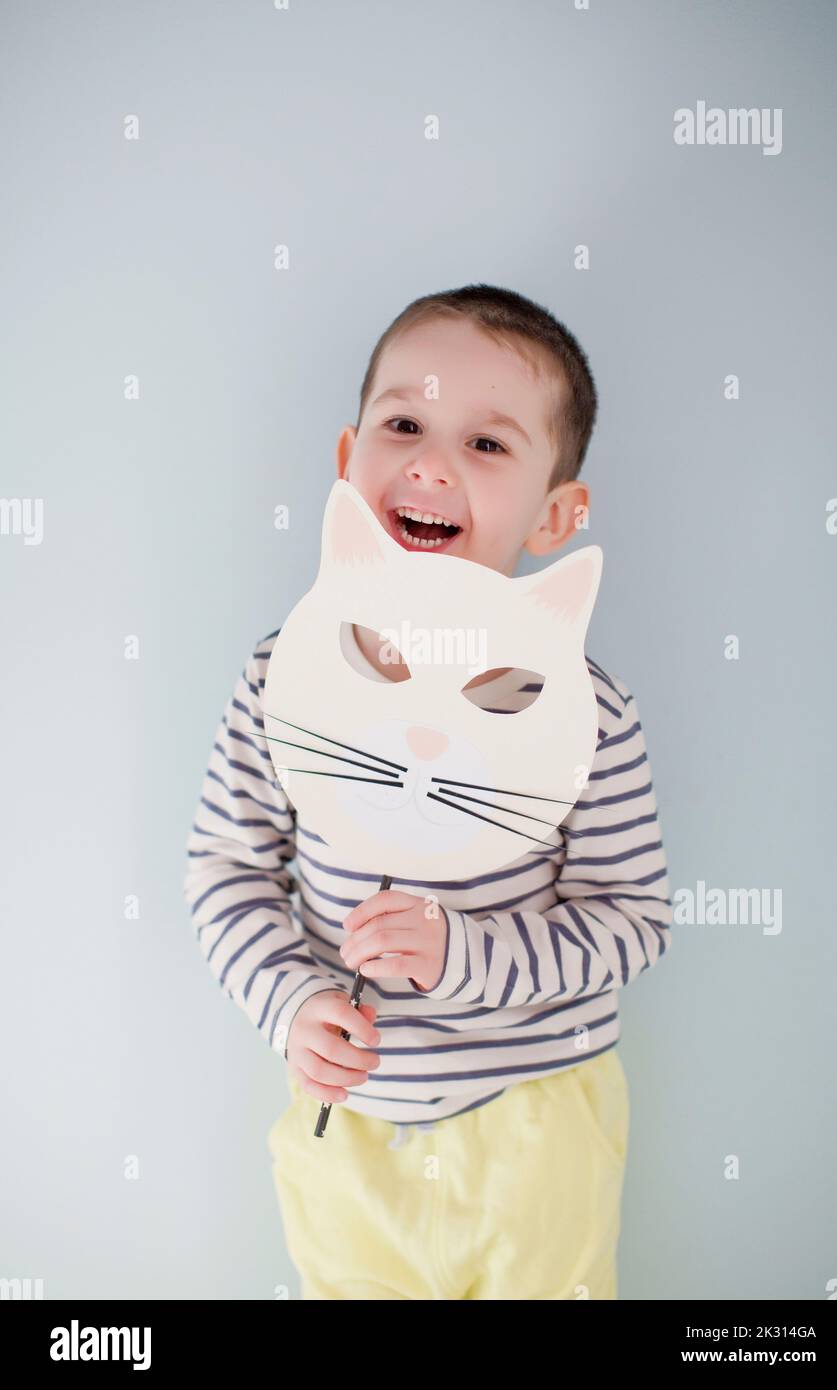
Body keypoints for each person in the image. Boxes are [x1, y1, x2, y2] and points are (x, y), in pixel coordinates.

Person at [182, 283, 673, 1299]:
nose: (430, 461)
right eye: (402, 423)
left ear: (555, 515)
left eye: (486, 444)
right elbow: (225, 871)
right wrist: (292, 1001)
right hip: (349, 1125)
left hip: (535, 1124)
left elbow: (632, 922)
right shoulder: (284, 679)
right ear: (344, 463)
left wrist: (463, 953)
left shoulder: (586, 711)